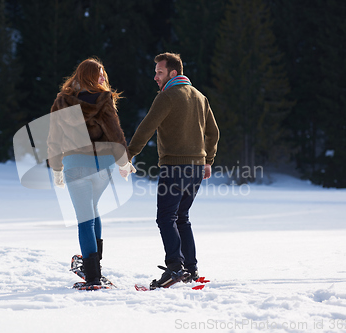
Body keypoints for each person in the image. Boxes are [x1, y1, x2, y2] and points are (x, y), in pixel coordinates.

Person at [128, 52, 219, 289]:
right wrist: (208, 160)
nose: (155, 77)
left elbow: (146, 127)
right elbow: (214, 132)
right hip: (197, 169)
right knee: (182, 218)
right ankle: (190, 268)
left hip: (174, 168)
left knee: (166, 218)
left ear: (173, 73)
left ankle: (175, 268)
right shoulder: (200, 97)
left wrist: (128, 155)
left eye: (159, 72)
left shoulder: (167, 97)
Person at [47, 58, 135, 289]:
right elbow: (115, 133)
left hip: (76, 166)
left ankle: (93, 277)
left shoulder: (62, 102)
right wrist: (124, 162)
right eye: (100, 74)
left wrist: (56, 168)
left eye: (103, 74)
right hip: (102, 167)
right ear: (88, 76)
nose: (104, 78)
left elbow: (54, 139)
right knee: (93, 211)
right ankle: (95, 269)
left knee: (85, 219)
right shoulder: (104, 100)